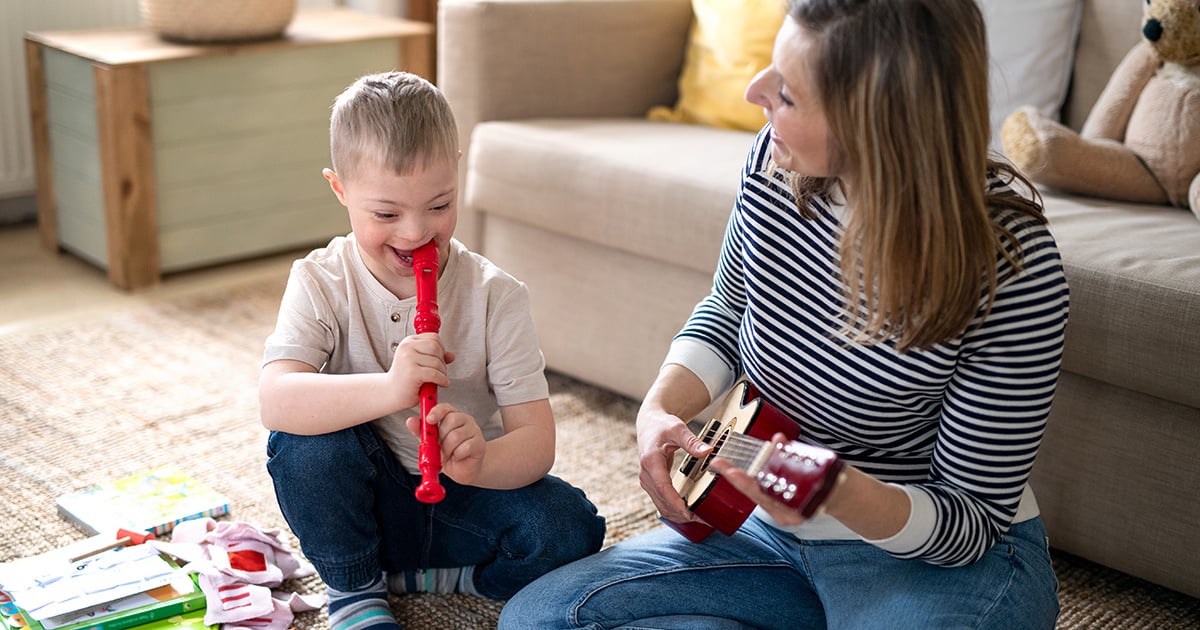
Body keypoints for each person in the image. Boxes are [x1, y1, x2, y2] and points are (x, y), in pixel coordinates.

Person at [499, 0, 1068, 628]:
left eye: (789, 94)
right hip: (769, 534)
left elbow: (969, 524)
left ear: (876, 124)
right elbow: (728, 310)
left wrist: (837, 491)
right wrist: (660, 409)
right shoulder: (776, 160)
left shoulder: (1010, 268)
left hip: (930, 559)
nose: (755, 93)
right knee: (545, 617)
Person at [259, 71, 605, 630]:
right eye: (387, 214)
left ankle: (450, 580)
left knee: (569, 526)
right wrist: (391, 389)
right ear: (340, 190)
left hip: (463, 500)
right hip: (364, 501)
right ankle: (355, 586)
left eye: (439, 205)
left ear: (458, 175)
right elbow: (275, 400)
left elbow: (537, 442)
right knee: (302, 450)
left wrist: (482, 461)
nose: (418, 232)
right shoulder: (320, 280)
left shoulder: (498, 295)